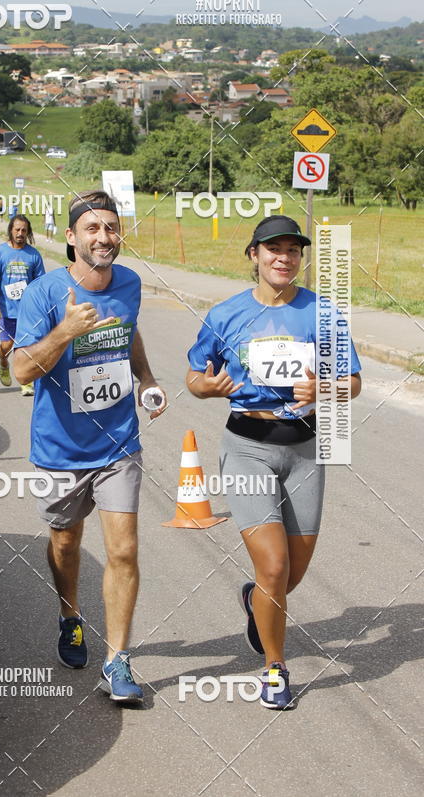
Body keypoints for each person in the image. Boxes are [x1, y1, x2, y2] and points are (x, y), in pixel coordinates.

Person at [186, 215, 362, 710]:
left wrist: (323, 388)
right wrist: (208, 386)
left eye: (292, 250)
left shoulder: (321, 312)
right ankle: (274, 668)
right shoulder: (225, 315)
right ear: (254, 255)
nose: (283, 257)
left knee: (290, 574)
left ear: (301, 258)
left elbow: (352, 382)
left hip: (304, 448)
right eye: (273, 249)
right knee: (275, 564)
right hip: (246, 445)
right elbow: (195, 377)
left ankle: (255, 599)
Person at [13, 191, 167, 703]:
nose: (105, 238)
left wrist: (144, 377)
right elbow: (19, 370)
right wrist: (65, 331)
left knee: (123, 549)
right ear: (71, 237)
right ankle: (70, 616)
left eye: (112, 228)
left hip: (119, 440)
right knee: (66, 544)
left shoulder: (129, 284)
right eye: (93, 229)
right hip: (60, 448)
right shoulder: (43, 293)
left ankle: (118, 659)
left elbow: (129, 332)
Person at [0, 214, 45, 395]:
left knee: (25, 345)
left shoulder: (33, 255)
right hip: (7, 309)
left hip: (27, 311)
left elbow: (40, 283)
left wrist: (40, 306)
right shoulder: (0, 253)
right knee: (7, 345)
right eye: (17, 230)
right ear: (11, 230)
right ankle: (4, 363)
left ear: (28, 233)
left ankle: (25, 381)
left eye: (24, 230)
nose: (20, 233)